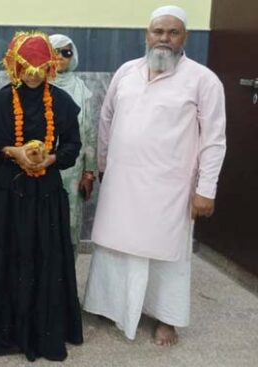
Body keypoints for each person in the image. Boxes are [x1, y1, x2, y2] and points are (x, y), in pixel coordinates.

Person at [83, 5, 227, 347]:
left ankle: (166, 318)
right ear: (147, 35)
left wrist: (206, 189)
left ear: (184, 38)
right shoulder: (127, 72)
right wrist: (103, 164)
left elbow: (214, 139)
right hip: (121, 182)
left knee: (166, 253)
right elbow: (106, 120)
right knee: (115, 246)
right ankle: (108, 305)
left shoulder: (203, 80)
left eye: (172, 32)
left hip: (170, 187)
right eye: (157, 31)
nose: (164, 38)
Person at [0, 31, 83, 361]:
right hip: (10, 192)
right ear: (15, 67)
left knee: (44, 256)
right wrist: (13, 151)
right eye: (26, 67)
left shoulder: (61, 102)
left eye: (39, 67)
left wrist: (51, 159)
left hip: (46, 193)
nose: (33, 74)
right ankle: (7, 333)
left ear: (51, 67)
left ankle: (44, 330)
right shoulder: (4, 100)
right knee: (10, 254)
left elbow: (72, 147)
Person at [48, 34, 97, 258]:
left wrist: (89, 172)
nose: (59, 57)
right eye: (54, 51)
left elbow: (89, 134)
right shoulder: (36, 84)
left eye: (65, 53)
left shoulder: (82, 91)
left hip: (73, 170)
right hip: (40, 167)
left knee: (69, 223)